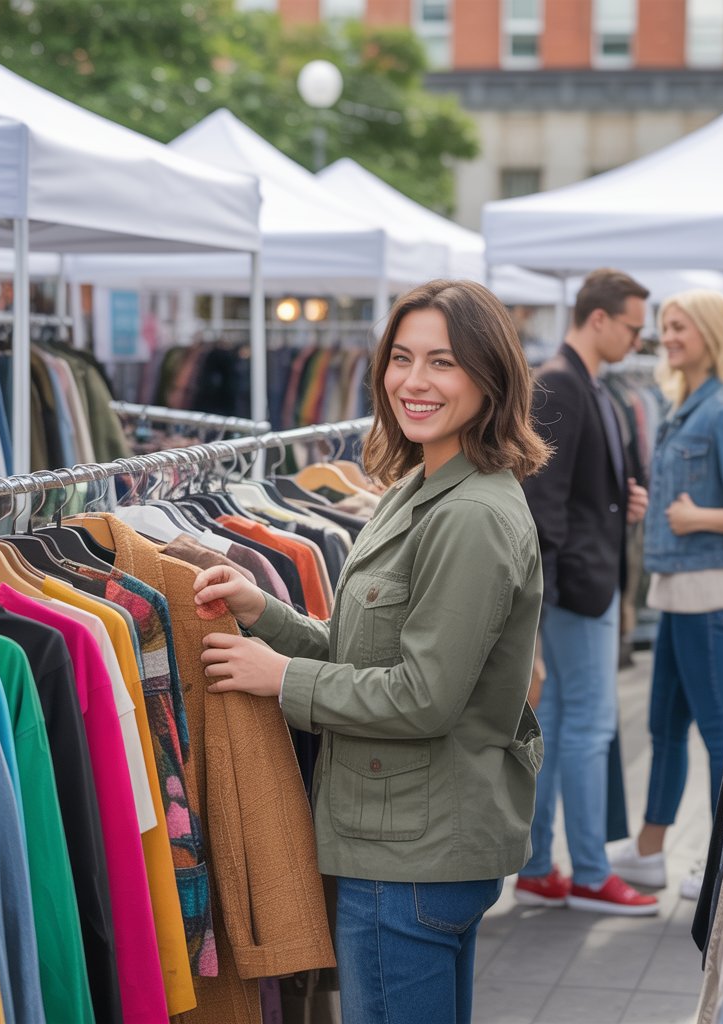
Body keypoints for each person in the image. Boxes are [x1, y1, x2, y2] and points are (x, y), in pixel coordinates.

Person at [192, 279, 551, 1024]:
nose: (413, 382)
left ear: (490, 376)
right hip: (404, 840)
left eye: (442, 362)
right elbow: (369, 651)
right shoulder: (422, 484)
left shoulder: (470, 515)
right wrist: (270, 615)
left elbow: (422, 696)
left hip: (408, 854)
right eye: (401, 358)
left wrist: (282, 677)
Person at [608, 289, 723, 900]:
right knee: (663, 727)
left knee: (718, 734)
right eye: (665, 326)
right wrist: (656, 509)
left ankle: (722, 866)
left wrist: (697, 518)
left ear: (710, 333)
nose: (669, 337)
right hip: (679, 592)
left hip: (707, 594)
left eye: (679, 326)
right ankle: (651, 851)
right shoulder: (686, 405)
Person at [515, 268, 656, 915]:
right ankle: (591, 874)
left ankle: (543, 868)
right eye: (632, 325)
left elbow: (567, 488)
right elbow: (541, 500)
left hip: (581, 581)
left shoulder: (580, 382)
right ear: (599, 318)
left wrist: (616, 500)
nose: (638, 338)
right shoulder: (564, 384)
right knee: (589, 726)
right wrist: (546, 605)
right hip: (578, 587)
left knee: (564, 726)